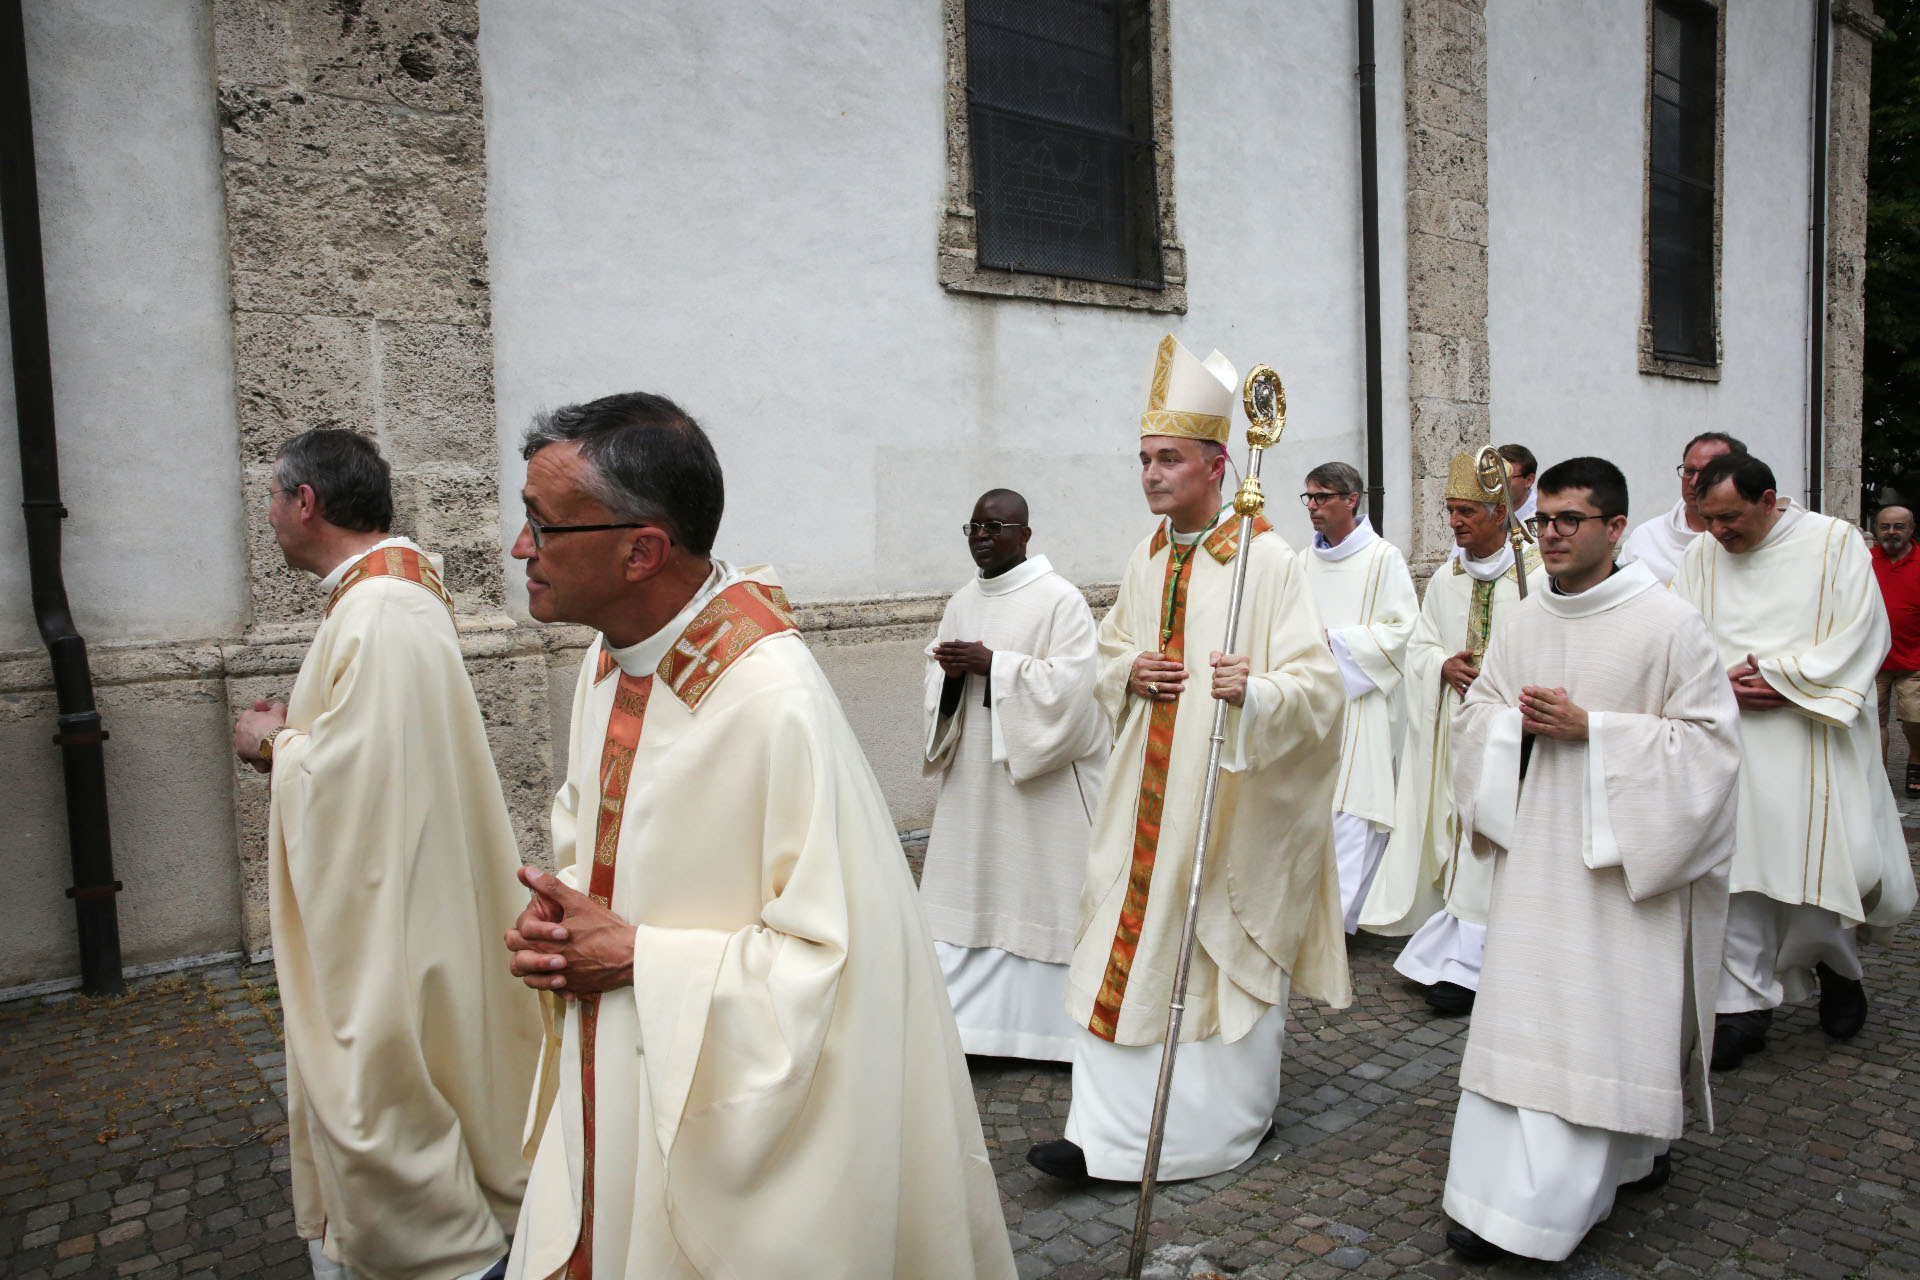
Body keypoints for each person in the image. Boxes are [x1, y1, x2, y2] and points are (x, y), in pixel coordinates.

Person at [499, 393, 1014, 1279]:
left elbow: (833, 969)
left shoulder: (770, 699)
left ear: (641, 550)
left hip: (716, 1141)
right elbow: (597, 852)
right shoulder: (611, 653)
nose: (521, 550)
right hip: (617, 1078)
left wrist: (636, 959)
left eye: (543, 528)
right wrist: (561, 929)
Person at [1026, 334, 1350, 1183]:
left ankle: (1209, 1129)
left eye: (1167, 459)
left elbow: (1320, 691)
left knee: (1198, 944)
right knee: (1119, 934)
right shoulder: (1146, 557)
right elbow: (1108, 653)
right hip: (1143, 796)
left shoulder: (1268, 562)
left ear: (1217, 465)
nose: (1150, 475)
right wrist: (1129, 668)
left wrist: (1260, 692)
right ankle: (1103, 1136)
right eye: (1142, 460)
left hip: (1224, 798)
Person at [231, 429, 541, 1280]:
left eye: (271, 498)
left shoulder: (380, 610)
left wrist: (270, 745)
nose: (268, 517)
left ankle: (442, 1247)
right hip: (410, 876)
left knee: (386, 1065)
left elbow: (356, 781)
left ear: (307, 502)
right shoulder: (381, 599)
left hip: (394, 898)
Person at [1440, 457, 1740, 1263]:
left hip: (1618, 881)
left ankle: (1552, 1208)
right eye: (1543, 520)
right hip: (1538, 862)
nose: (1554, 533)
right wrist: (1511, 730)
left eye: (1572, 519)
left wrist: (1595, 733)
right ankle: (1490, 1195)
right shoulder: (1527, 616)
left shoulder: (1667, 623)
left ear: (1615, 528)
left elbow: (1712, 749)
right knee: (1527, 1021)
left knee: (1601, 1029)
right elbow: (1480, 717)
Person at [1673, 453, 1917, 1071]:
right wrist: (1710, 682)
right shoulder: (1700, 554)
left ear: (1768, 499)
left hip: (1812, 730)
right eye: (1707, 519)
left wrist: (1786, 680)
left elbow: (1866, 631)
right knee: (1736, 871)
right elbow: (1676, 631)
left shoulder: (1832, 543)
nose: (1718, 532)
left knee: (1820, 864)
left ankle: (1838, 970)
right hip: (1730, 733)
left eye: (1729, 518)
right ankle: (1743, 1005)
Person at [920, 488, 1108, 1061]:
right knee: (972, 885)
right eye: (973, 526)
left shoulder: (1060, 601)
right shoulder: (961, 601)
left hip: (1037, 786)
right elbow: (937, 678)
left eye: (994, 526)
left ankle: (1052, 1036)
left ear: (1024, 535)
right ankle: (967, 1030)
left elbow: (1076, 688)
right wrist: (950, 675)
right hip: (975, 778)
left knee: (1038, 890)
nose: (981, 536)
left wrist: (995, 666)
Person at [1360, 451, 1546, 1015]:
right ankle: (1463, 956)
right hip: (1456, 734)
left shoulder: (1537, 574)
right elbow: (1420, 644)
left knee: (1503, 842)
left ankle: (1486, 961)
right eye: (1449, 511)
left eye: (1465, 511)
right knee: (1464, 841)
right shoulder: (1447, 577)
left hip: (1518, 737)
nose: (1455, 523)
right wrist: (1441, 665)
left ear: (1499, 512)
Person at [1299, 462, 1419, 932]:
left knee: (1352, 812)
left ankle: (1334, 925)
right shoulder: (1302, 560)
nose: (1312, 506)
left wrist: (1336, 644)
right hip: (1310, 703)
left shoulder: (1383, 558)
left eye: (1322, 496)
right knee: (1310, 808)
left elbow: (1403, 630)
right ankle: (1307, 919)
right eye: (1308, 497)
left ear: (1352, 499)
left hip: (1361, 703)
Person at [1617, 431, 1746, 584]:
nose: (1694, 482)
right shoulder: (1646, 537)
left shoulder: (1747, 537)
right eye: (1689, 471)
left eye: (1707, 473)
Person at [1871, 504, 1920, 788]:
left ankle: (1915, 760)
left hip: (1914, 660)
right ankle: (1879, 777)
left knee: (1915, 719)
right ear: (1877, 530)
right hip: (1873, 660)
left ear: (1911, 530)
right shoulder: (1863, 561)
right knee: (1873, 721)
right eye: (1885, 526)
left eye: (1899, 526)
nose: (1891, 532)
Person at [1497, 444, 1538, 527]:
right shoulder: (1489, 511)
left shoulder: (1543, 516)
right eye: (1496, 475)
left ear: (1529, 480)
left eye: (1506, 477)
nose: (1498, 483)